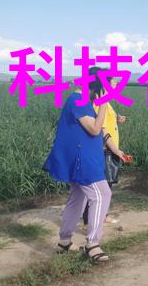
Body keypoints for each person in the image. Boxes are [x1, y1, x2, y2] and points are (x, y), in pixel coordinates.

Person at [43, 79, 111, 263]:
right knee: (102, 195)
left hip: (82, 159)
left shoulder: (82, 101)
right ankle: (92, 244)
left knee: (78, 198)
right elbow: (95, 129)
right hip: (83, 162)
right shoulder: (78, 100)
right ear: (98, 88)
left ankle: (64, 242)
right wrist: (104, 104)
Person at [82, 67, 127, 226]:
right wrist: (116, 150)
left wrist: (118, 117)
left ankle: (102, 215)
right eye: (114, 81)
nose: (117, 83)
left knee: (106, 186)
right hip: (103, 150)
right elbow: (101, 129)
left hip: (108, 149)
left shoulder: (106, 103)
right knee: (99, 188)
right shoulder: (97, 103)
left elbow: (108, 119)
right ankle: (89, 220)